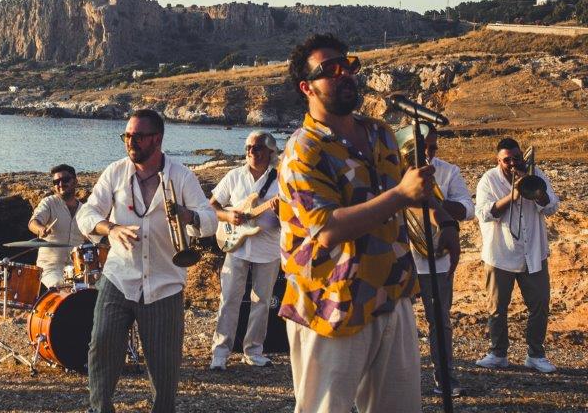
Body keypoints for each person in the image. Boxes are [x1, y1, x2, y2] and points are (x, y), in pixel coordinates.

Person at [278, 35, 433, 413]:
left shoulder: (380, 133)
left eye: (348, 65)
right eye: (329, 70)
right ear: (307, 87)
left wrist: (437, 216)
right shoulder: (303, 150)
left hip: (390, 294)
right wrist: (401, 195)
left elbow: (408, 194)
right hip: (330, 306)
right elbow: (327, 227)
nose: (344, 73)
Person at [77, 108, 217, 413]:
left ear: (157, 139)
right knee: (101, 347)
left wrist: (188, 215)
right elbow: (86, 214)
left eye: (137, 136)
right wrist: (110, 228)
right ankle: (99, 409)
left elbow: (211, 220)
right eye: (126, 135)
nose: (130, 142)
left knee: (164, 365)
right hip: (118, 276)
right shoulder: (115, 172)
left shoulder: (181, 176)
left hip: (164, 283)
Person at [397, 124, 473, 397]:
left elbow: (467, 209)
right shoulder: (394, 173)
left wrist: (434, 199)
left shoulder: (449, 171)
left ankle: (445, 378)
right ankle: (398, 382)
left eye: (432, 148)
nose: (428, 153)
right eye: (422, 148)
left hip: (436, 261)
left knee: (440, 322)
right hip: (401, 258)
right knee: (393, 324)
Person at [474, 137, 559, 374]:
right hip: (500, 254)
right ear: (497, 160)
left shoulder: (535, 173)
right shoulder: (489, 179)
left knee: (540, 303)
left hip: (533, 252)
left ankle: (535, 355)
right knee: (497, 307)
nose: (512, 164)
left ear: (523, 157)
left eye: (516, 158)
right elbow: (482, 213)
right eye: (506, 160)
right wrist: (511, 196)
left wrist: (535, 190)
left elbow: (552, 206)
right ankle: (498, 354)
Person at [208, 130, 282, 370]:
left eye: (257, 147)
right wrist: (228, 215)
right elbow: (212, 206)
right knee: (229, 298)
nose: (251, 151)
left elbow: (294, 217)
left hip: (268, 247)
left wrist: (280, 211)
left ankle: (254, 351)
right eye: (249, 147)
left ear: (271, 152)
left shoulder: (282, 179)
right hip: (236, 247)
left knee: (262, 301)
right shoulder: (234, 176)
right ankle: (220, 353)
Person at [28, 164, 93, 288]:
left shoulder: (85, 210)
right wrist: (40, 229)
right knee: (61, 286)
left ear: (75, 181)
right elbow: (33, 222)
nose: (60, 184)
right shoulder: (49, 203)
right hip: (50, 268)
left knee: (96, 289)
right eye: (56, 181)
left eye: (65, 180)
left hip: (77, 269)